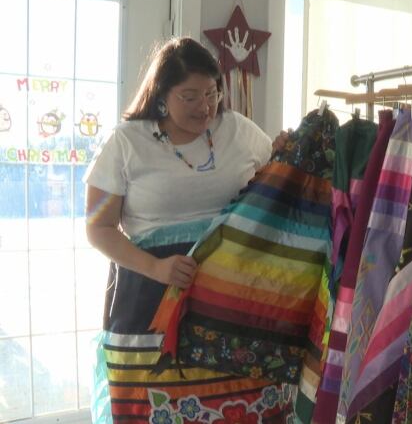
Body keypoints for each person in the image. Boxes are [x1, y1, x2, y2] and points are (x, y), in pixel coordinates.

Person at [84, 37, 294, 423]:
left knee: (237, 402)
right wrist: (156, 268)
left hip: (233, 300)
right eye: (190, 96)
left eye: (212, 92)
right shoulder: (126, 143)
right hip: (149, 298)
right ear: (162, 95)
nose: (206, 107)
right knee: (150, 405)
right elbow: (98, 229)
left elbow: (273, 191)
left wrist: (284, 158)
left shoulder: (240, 131)